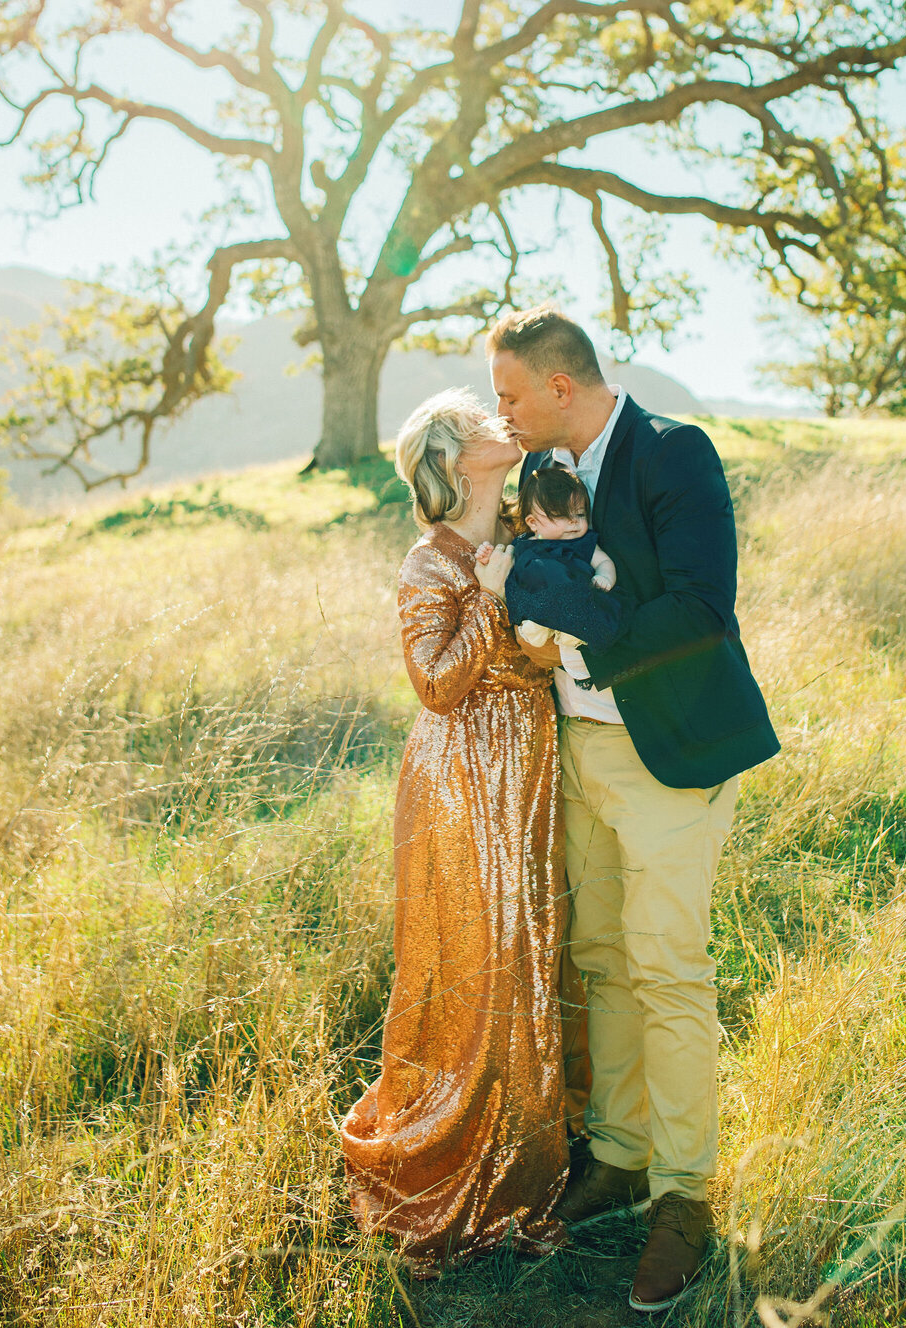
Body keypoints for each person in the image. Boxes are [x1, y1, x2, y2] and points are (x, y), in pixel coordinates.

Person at [487, 309, 780, 1316]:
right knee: (603, 958)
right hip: (582, 751)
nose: (505, 413)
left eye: (512, 395)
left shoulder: (670, 454)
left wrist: (585, 633)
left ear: (561, 388)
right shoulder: (542, 474)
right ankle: (614, 1153)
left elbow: (702, 610)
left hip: (671, 757)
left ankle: (684, 1196)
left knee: (668, 970)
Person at [340, 388, 568, 1271]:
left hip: (530, 763)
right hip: (460, 778)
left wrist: (535, 594)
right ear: (452, 459)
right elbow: (435, 685)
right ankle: (448, 1152)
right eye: (481, 424)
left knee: (529, 952)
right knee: (474, 958)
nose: (500, 427)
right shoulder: (430, 561)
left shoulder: (522, 531)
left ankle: (524, 1154)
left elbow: (549, 651)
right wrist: (491, 598)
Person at [479, 464, 623, 650]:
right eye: (560, 515)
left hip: (576, 599)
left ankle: (572, 634)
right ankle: (538, 628)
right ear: (533, 523)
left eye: (580, 514)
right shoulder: (523, 544)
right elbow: (507, 567)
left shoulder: (584, 542)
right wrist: (488, 558)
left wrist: (604, 577)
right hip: (537, 603)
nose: (573, 521)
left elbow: (604, 561)